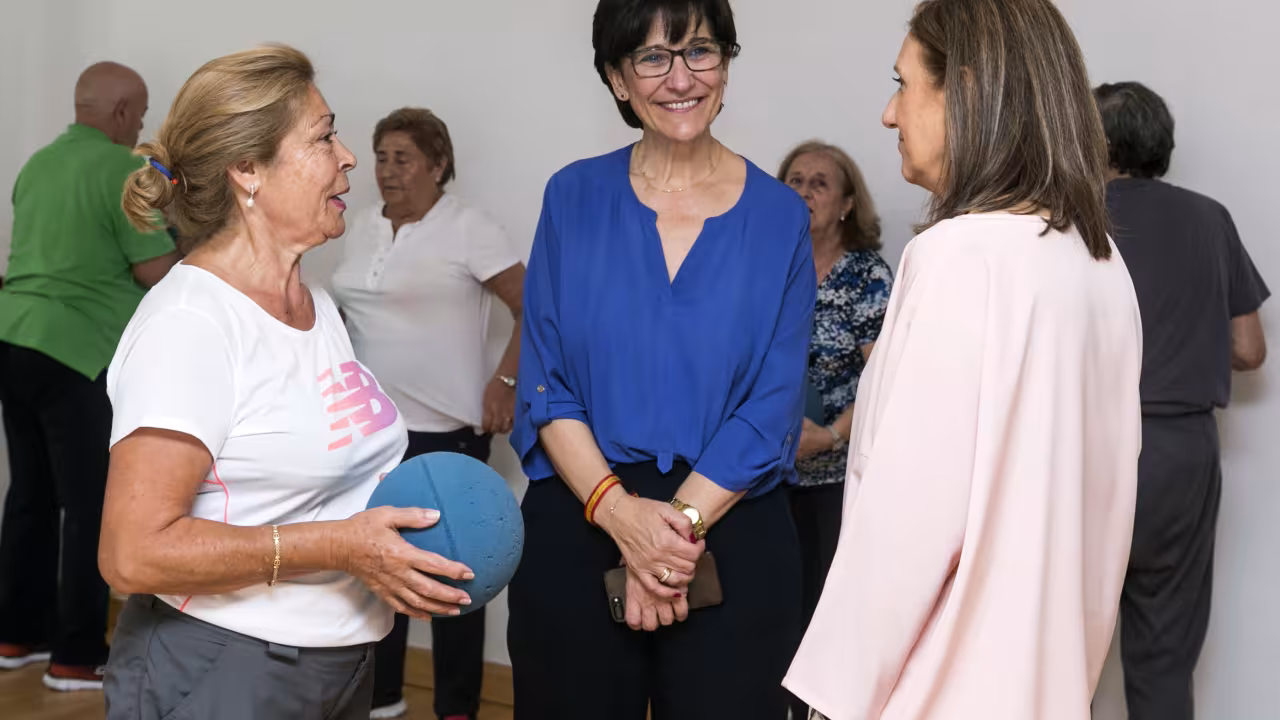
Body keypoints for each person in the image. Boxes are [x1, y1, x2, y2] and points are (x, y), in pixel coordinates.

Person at [783, 0, 1144, 718]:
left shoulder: (960, 255)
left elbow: (911, 515)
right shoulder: (1101, 261)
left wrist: (829, 697)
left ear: (969, 92)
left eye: (904, 83)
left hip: (941, 684)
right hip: (1045, 682)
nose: (889, 114)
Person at [98, 44, 476, 720]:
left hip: (340, 663)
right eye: (324, 135)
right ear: (247, 170)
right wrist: (340, 547)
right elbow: (132, 554)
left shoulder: (317, 305)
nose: (349, 156)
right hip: (225, 670)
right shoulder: (191, 324)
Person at [507, 1, 815, 718]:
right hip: (583, 514)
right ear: (616, 78)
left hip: (732, 523)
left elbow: (772, 406)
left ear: (727, 64)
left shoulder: (779, 216)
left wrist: (667, 538)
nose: (680, 77)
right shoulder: (572, 196)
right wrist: (622, 518)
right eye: (651, 57)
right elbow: (546, 384)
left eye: (700, 51)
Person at [331, 107, 525, 720]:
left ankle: (457, 708)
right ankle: (381, 697)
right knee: (375, 569)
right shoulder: (357, 225)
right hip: (369, 433)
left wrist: (507, 380)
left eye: (403, 158)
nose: (387, 171)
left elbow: (537, 307)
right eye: (381, 157)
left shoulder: (468, 227)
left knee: (452, 577)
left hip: (448, 434)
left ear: (438, 165)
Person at [0, 61, 179, 692]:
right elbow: (156, 270)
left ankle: (17, 634)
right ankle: (76, 654)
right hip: (78, 351)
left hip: (14, 338)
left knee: (29, 496)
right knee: (89, 504)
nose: (142, 126)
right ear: (124, 112)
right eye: (142, 112)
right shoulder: (124, 171)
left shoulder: (38, 164)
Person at [1094, 80, 1269, 720]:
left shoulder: (1070, 219)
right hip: (1183, 454)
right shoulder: (1209, 216)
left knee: (1058, 645)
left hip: (1089, 445)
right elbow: (1249, 349)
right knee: (1165, 654)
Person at [776, 140, 891, 720]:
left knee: (825, 614)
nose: (804, 191)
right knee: (770, 613)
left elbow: (888, 378)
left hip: (835, 478)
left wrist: (835, 435)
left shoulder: (867, 275)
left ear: (847, 203)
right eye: (794, 179)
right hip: (764, 476)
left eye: (820, 182)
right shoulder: (769, 265)